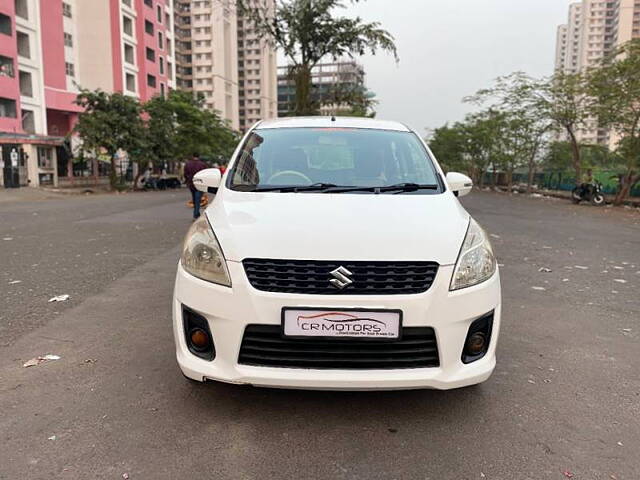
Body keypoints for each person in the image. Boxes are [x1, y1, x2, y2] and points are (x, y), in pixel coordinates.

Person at [184, 153, 208, 219]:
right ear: (199, 156)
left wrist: (187, 180)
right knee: (198, 199)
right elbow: (205, 174)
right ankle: (196, 213)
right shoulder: (202, 164)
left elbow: (185, 174)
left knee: (194, 198)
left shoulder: (188, 164)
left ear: (192, 156)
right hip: (200, 183)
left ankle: (196, 212)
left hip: (191, 183)